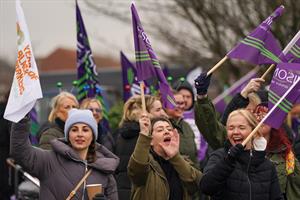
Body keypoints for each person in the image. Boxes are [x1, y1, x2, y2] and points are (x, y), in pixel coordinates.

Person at [194, 72, 300, 199]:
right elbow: (213, 127)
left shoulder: (284, 155)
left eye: (265, 113)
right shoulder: (223, 154)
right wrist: (202, 97)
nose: (260, 117)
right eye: (255, 113)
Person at [10, 109, 119, 199]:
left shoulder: (105, 169)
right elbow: (20, 151)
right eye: (74, 130)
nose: (80, 134)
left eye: (85, 130)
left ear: (93, 136)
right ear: (68, 134)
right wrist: (21, 119)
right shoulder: (49, 160)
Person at [199, 108, 282, 199]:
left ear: (253, 131)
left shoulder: (267, 166)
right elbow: (206, 188)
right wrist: (228, 161)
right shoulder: (219, 157)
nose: (235, 132)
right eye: (231, 128)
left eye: (241, 127)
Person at [128, 114, 202, 199]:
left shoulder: (183, 162)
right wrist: (144, 134)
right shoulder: (145, 163)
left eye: (169, 129)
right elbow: (136, 171)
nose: (166, 131)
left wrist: (175, 157)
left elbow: (196, 184)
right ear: (151, 140)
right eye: (160, 130)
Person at [114, 95, 168, 200]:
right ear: (145, 112)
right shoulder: (143, 137)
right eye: (158, 110)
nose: (163, 113)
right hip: (139, 193)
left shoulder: (123, 133)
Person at [173, 79, 210, 169]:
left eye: (188, 96)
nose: (185, 100)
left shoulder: (199, 114)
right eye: (182, 96)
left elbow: (204, 139)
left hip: (198, 161)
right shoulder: (172, 117)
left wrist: (201, 156)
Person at [165, 91, 199, 167]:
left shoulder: (187, 126)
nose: (180, 106)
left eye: (182, 103)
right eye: (176, 103)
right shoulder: (162, 128)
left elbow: (195, 156)